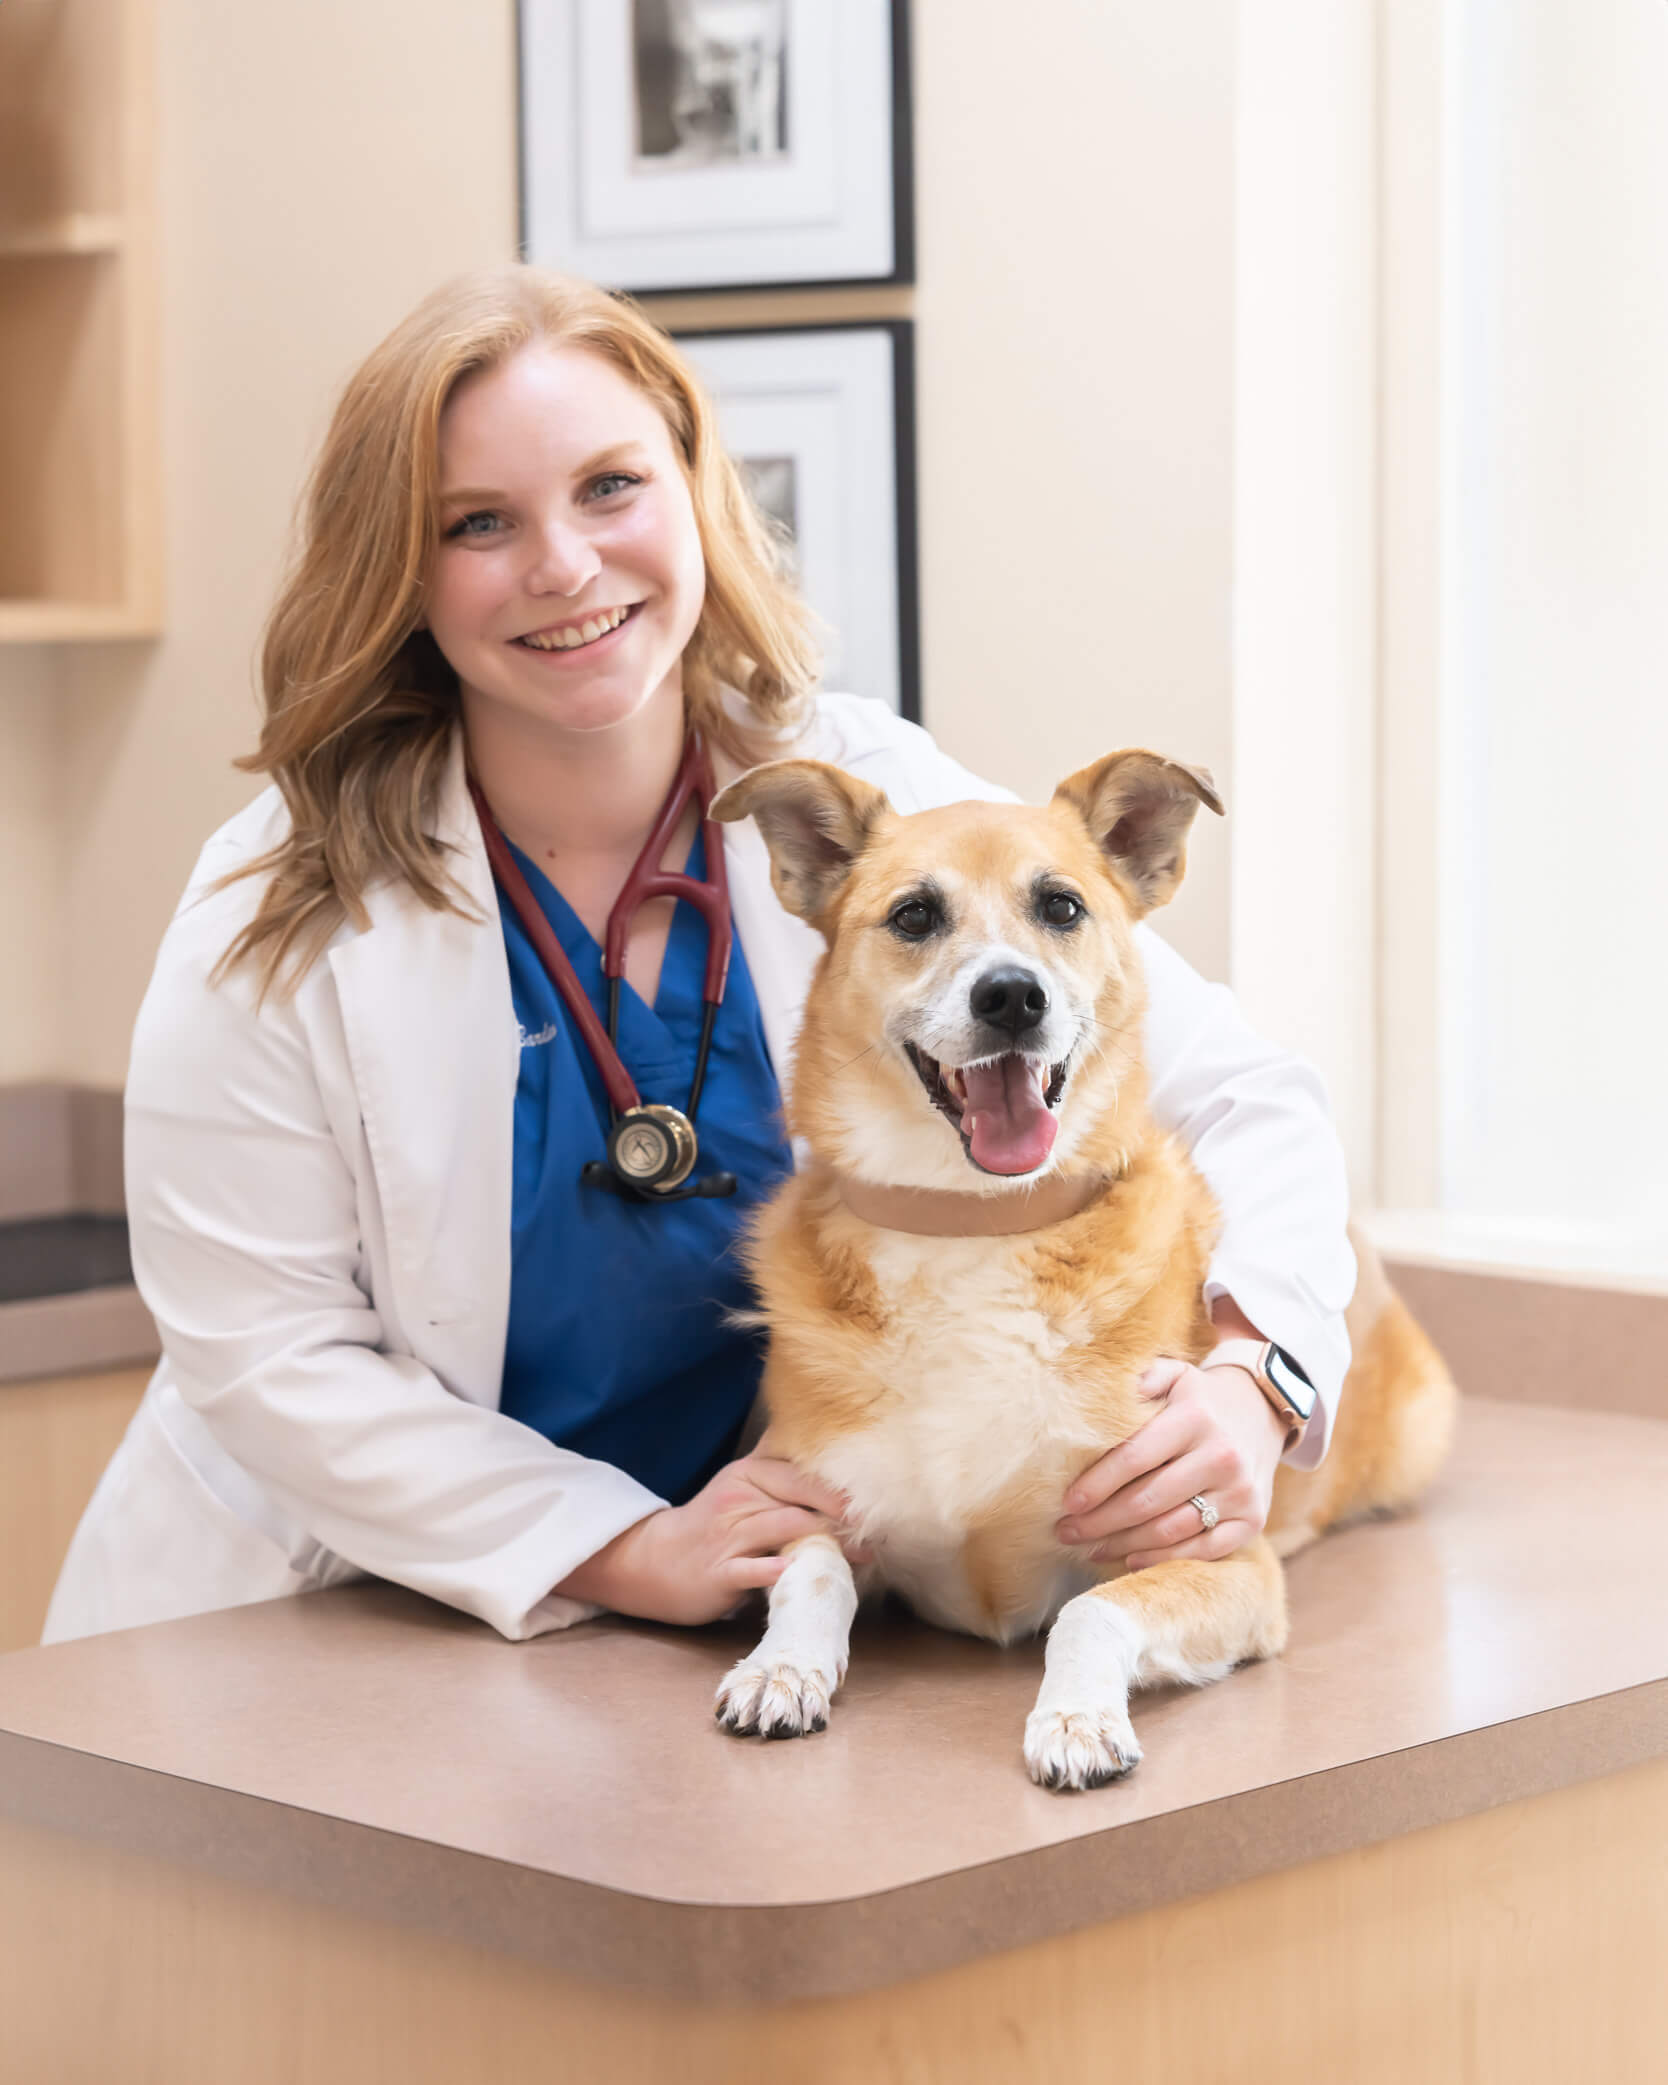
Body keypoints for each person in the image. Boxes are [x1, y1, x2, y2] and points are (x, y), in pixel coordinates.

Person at [43, 267, 1356, 1647]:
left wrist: (1252, 1382)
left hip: (713, 1605)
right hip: (322, 1613)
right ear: (402, 572)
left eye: (611, 486)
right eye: (479, 522)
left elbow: (1245, 1097)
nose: (564, 564)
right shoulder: (281, 901)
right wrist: (618, 1546)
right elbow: (269, 1357)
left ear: (693, 489)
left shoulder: (858, 796)